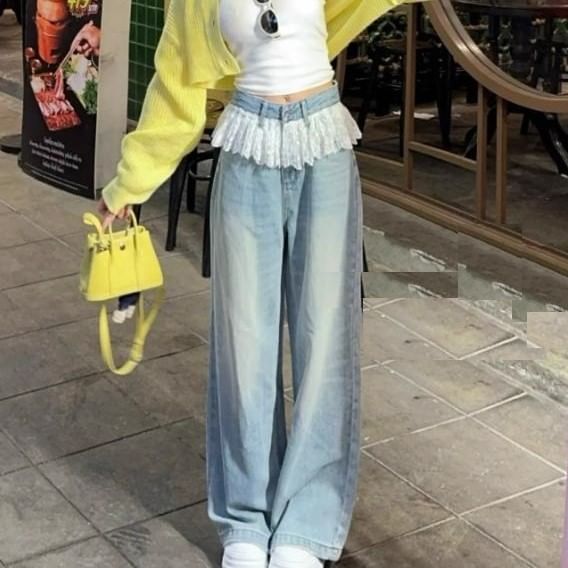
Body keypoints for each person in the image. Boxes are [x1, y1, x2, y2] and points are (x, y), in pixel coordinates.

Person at [96, 0, 422, 566]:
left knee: (325, 343)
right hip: (246, 147)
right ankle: (245, 519)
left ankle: (307, 522)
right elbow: (175, 91)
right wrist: (127, 187)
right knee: (243, 345)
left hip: (323, 143)